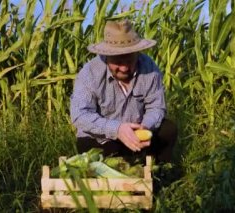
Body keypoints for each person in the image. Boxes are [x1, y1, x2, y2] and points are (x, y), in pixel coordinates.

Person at [70, 19, 177, 163]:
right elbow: (80, 115)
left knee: (168, 130)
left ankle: (159, 177)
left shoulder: (149, 68)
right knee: (114, 157)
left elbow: (156, 107)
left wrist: (145, 127)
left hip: (137, 131)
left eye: (129, 61)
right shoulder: (89, 73)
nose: (125, 68)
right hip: (101, 138)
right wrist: (117, 129)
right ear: (107, 55)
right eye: (118, 62)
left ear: (137, 53)